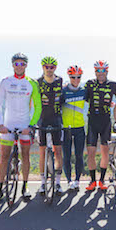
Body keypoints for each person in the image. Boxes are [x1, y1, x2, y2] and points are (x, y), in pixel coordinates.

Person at [0, 53, 41, 200]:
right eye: (16, 63)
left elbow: (38, 107)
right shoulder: (6, 82)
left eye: (22, 63)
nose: (19, 66)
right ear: (13, 65)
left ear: (26, 65)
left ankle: (25, 186)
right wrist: (0, 124)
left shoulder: (32, 83)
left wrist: (31, 126)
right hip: (8, 124)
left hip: (25, 125)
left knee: (25, 156)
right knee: (4, 157)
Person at [84, 60, 116, 191]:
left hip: (105, 121)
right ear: (95, 72)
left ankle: (102, 180)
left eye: (103, 70)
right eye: (98, 70)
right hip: (92, 120)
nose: (101, 73)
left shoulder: (113, 85)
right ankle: (92, 181)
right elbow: (83, 98)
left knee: (105, 152)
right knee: (91, 153)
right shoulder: (89, 84)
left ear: (107, 71)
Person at [37, 56, 65, 194]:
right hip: (42, 119)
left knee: (58, 151)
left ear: (55, 68)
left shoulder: (60, 80)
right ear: (43, 67)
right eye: (46, 67)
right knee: (42, 151)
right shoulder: (38, 82)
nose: (49, 69)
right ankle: (43, 182)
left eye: (51, 67)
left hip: (56, 118)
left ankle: (58, 182)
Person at [62, 65, 87, 190]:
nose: (76, 79)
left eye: (78, 77)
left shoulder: (84, 91)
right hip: (66, 128)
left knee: (79, 156)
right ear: (69, 77)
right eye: (73, 77)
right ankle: (68, 180)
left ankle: (77, 180)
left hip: (79, 127)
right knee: (66, 156)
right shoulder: (63, 91)